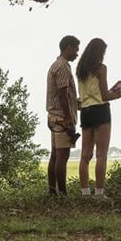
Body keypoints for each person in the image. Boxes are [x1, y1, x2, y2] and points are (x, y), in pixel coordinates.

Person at [75, 37, 121, 197]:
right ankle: (99, 193)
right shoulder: (101, 68)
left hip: (85, 111)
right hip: (100, 110)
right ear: (100, 52)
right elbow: (104, 95)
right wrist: (119, 94)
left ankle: (85, 192)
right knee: (101, 155)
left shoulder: (80, 69)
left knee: (85, 155)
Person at [46, 34, 80, 195]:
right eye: (76, 49)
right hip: (61, 118)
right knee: (62, 157)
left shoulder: (55, 65)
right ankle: (63, 193)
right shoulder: (63, 67)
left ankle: (52, 191)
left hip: (53, 117)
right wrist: (68, 118)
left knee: (54, 156)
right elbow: (62, 94)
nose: (77, 53)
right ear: (68, 48)